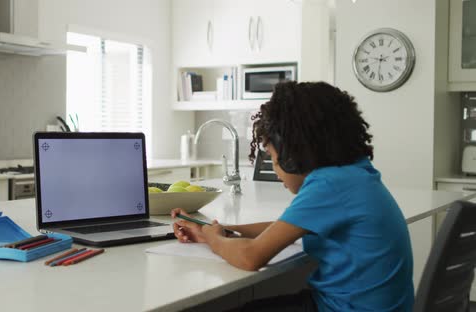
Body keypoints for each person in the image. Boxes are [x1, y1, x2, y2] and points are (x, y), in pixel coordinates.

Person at [171, 81, 414, 312]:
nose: (275, 170)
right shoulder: (354, 174)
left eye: (272, 157)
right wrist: (221, 230)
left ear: (295, 150)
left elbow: (250, 257)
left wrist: (215, 241)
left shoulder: (329, 184)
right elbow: (283, 229)